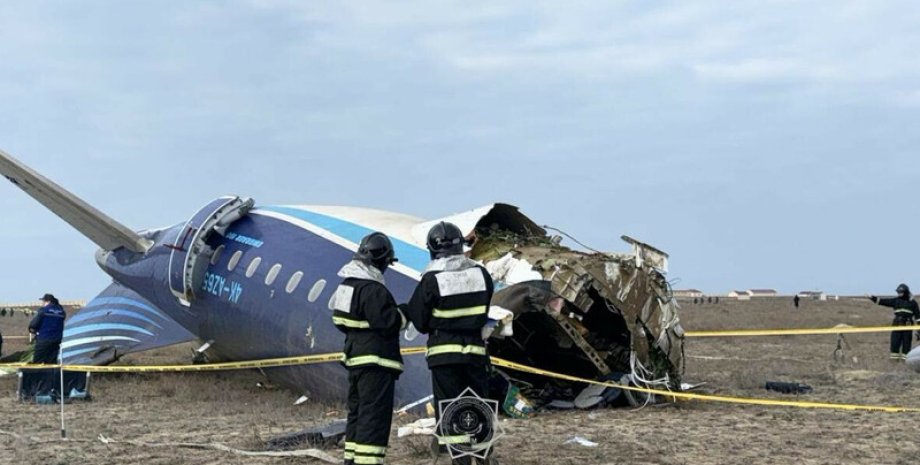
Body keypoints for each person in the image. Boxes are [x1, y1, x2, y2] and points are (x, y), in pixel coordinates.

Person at [403, 222, 494, 463]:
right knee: (478, 405)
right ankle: (484, 457)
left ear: (433, 249)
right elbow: (485, 309)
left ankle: (461, 460)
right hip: (475, 354)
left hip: (444, 357)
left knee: (452, 411)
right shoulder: (481, 275)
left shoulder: (431, 279)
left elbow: (419, 320)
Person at [330, 232, 405, 465]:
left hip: (355, 359)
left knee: (358, 414)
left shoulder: (346, 286)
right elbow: (389, 323)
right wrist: (405, 313)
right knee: (374, 417)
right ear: (381, 261)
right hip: (376, 363)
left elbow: (339, 321)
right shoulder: (374, 290)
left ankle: (351, 460)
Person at [869, 284, 920, 361]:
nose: (899, 293)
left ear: (905, 292)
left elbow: (918, 318)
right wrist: (872, 298)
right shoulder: (895, 301)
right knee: (895, 343)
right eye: (898, 292)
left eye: (901, 292)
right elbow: (883, 301)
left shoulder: (913, 303)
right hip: (896, 325)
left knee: (906, 344)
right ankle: (894, 361)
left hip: (908, 326)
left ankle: (905, 361)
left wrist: (919, 330)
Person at [29, 293, 66, 364]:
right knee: (51, 363)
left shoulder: (44, 310)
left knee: (37, 361)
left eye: (43, 301)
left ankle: (35, 375)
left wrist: (33, 330)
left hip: (43, 339)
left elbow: (33, 324)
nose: (42, 303)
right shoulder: (61, 312)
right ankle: (50, 375)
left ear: (48, 301)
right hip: (56, 340)